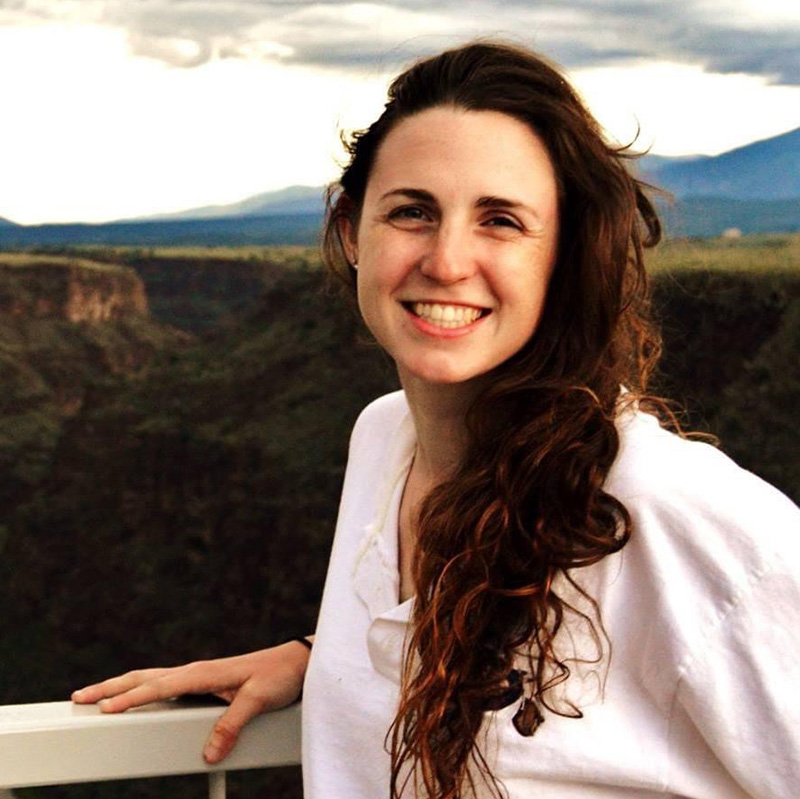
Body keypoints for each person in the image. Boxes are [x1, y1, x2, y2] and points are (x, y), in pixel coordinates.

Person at [72, 41, 800, 799]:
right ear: (355, 232)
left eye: (501, 220)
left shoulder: (675, 512)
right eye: (414, 211)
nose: (448, 261)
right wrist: (332, 659)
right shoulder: (383, 439)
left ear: (565, 253)